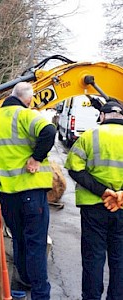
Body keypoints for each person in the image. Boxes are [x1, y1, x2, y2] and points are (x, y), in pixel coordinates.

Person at [0, 82, 56, 299]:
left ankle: (22, 282)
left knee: (19, 240)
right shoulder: (24, 115)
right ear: (29, 99)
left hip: (6, 194)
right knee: (36, 243)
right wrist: (36, 158)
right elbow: (49, 130)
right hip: (31, 192)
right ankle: (40, 294)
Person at [65, 100, 123, 300]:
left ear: (102, 116)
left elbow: (74, 168)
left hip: (94, 208)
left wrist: (103, 191)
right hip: (122, 208)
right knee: (120, 259)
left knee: (93, 258)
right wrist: (119, 193)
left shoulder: (89, 136)